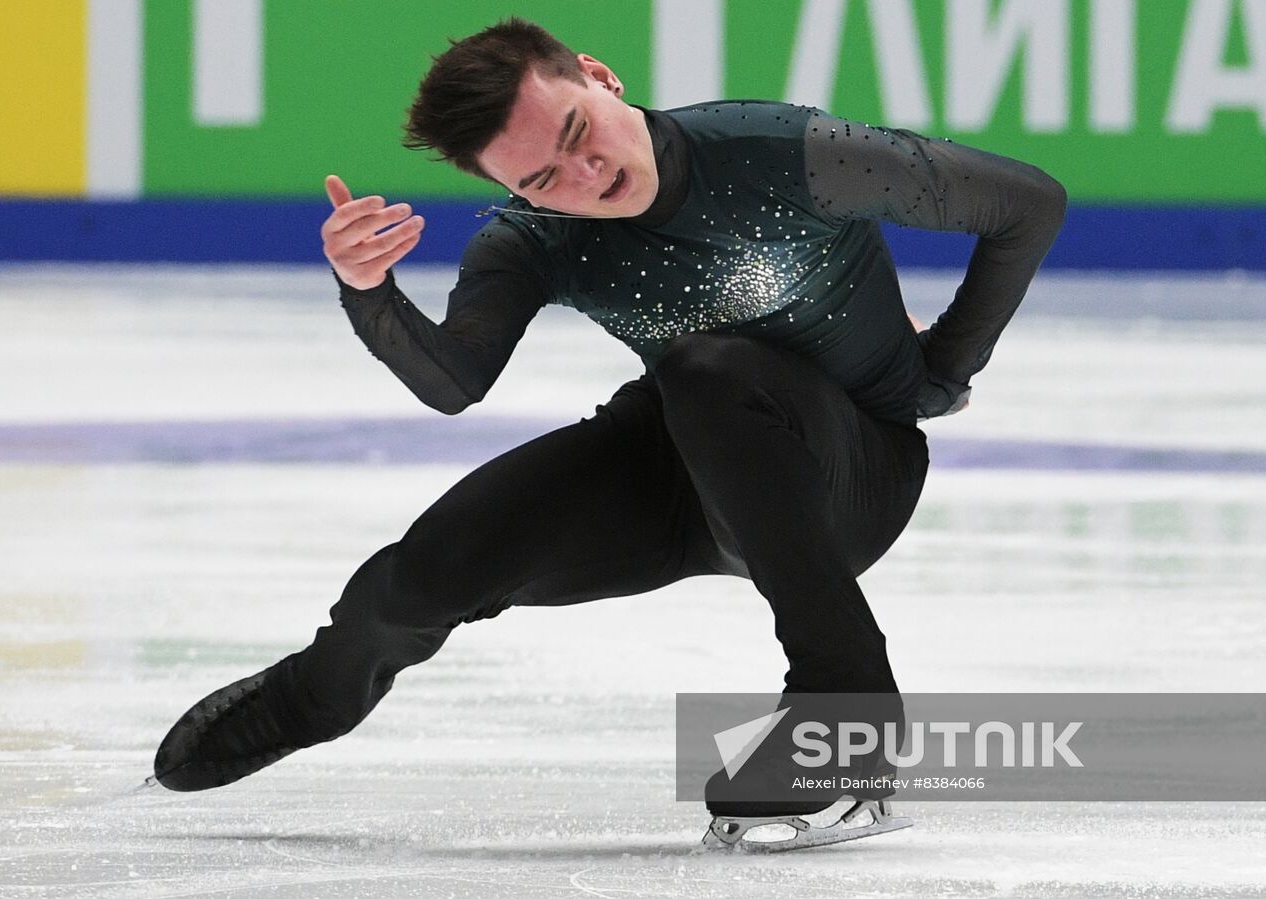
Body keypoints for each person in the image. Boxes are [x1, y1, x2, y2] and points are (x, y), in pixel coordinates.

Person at [153, 17, 1065, 840]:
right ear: (509, 190)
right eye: (543, 180)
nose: (587, 178)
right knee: (429, 567)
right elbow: (453, 380)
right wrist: (368, 291)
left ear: (599, 76)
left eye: (579, 134)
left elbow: (1027, 204)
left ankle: (846, 716)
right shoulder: (532, 240)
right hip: (687, 457)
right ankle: (315, 693)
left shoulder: (777, 151)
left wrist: (943, 369)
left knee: (708, 372)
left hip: (851, 475)